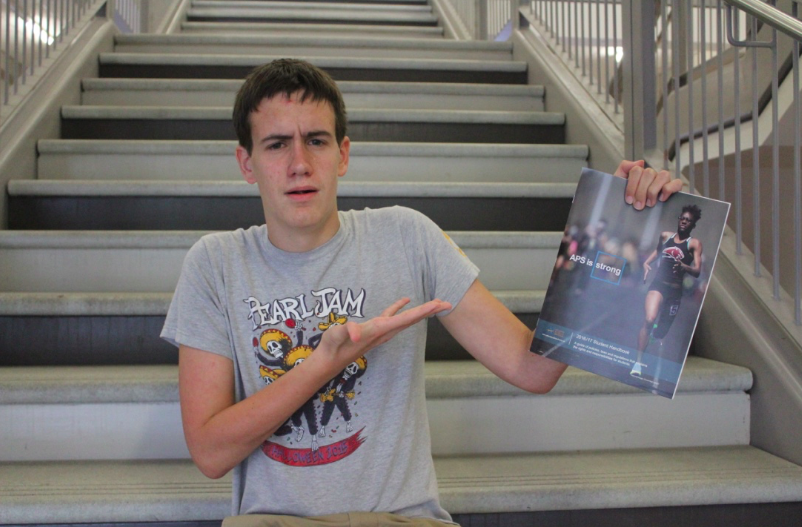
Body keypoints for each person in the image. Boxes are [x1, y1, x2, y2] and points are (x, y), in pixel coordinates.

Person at [161, 58, 682, 527]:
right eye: (276, 144)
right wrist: (323, 364)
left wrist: (613, 233)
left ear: (342, 154)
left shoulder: (406, 236)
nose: (299, 162)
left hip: (402, 520)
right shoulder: (216, 265)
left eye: (316, 140)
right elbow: (210, 452)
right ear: (246, 162)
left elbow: (533, 369)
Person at [631, 205, 703, 378]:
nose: (684, 222)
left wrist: (684, 266)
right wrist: (646, 263)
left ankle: (656, 335)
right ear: (679, 219)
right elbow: (658, 250)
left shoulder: (694, 244)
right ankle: (638, 362)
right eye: (682, 218)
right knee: (649, 319)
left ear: (693, 225)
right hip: (658, 285)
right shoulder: (665, 236)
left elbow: (697, 270)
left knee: (661, 331)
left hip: (675, 291)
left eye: (688, 221)